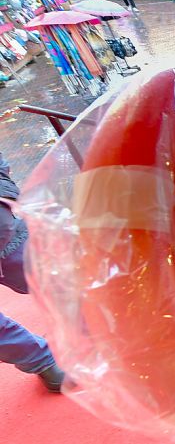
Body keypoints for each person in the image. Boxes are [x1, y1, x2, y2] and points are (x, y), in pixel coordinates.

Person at [0, 152, 66, 392]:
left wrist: (3, 196)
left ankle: (94, 327)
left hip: (5, 234)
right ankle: (44, 362)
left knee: (52, 276)